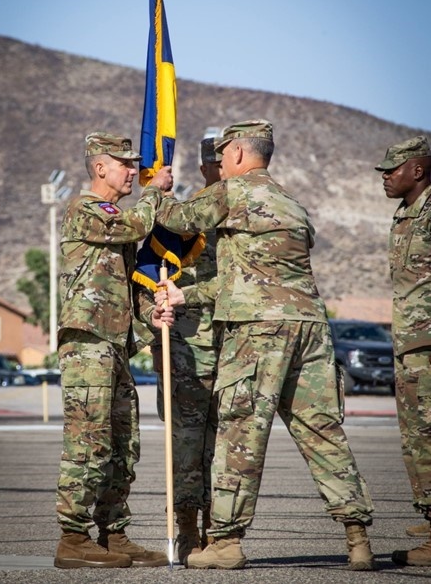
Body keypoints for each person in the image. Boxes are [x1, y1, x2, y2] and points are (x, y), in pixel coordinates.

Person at [155, 119, 376, 570]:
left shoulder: (232, 193)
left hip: (259, 331)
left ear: (235, 153)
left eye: (223, 154)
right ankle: (358, 539)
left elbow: (176, 219)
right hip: (311, 327)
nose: (220, 161)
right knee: (323, 433)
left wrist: (155, 189)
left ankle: (226, 542)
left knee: (241, 433)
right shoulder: (293, 204)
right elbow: (254, 276)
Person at [54, 131, 174, 569]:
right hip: (87, 342)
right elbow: (135, 224)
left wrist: (151, 313)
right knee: (89, 441)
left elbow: (122, 283)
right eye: (124, 164)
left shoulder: (114, 220)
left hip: (115, 342)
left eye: (135, 163)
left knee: (122, 442)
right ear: (100, 167)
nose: (132, 171)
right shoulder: (85, 209)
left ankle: (113, 532)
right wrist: (154, 193)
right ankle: (72, 538)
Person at [134, 136, 223, 564]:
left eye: (225, 160)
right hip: (187, 349)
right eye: (214, 163)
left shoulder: (250, 213)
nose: (221, 169)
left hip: (237, 349)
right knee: (186, 444)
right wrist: (157, 333)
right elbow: (151, 279)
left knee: (229, 446)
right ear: (205, 168)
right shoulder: (183, 219)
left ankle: (221, 533)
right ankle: (187, 529)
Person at [375, 135, 431, 567]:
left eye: (391, 170)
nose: (385, 178)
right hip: (411, 345)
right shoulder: (406, 213)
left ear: (417, 169)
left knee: (428, 437)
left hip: (428, 347)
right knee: (416, 440)